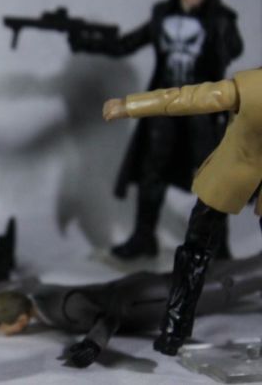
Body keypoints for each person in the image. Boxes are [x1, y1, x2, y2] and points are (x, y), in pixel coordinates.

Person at [69, 0, 243, 260]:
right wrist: (86, 42)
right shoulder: (162, 17)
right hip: (164, 107)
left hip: (202, 107)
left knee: (213, 177)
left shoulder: (217, 17)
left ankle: (217, 245)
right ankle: (143, 237)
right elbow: (125, 44)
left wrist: (222, 22)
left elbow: (235, 49)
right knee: (152, 171)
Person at [103, 68, 262, 355]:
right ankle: (175, 326)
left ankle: (174, 328)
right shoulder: (251, 86)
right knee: (195, 252)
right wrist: (130, 105)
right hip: (230, 175)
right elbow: (187, 98)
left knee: (195, 252)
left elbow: (186, 98)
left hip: (230, 173)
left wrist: (129, 105)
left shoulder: (252, 85)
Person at [0, 252, 262, 367]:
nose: (7, 333)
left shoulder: (66, 307)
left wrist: (93, 344)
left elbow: (108, 317)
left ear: (21, 319)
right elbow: (28, 282)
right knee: (220, 272)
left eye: (6, 328)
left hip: (153, 300)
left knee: (228, 284)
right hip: (143, 287)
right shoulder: (38, 294)